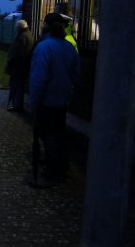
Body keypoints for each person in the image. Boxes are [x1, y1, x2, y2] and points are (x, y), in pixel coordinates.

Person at [29, 12, 79, 185]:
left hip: (47, 99)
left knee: (48, 135)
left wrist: (33, 101)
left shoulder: (44, 47)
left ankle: (53, 172)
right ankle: (63, 167)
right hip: (63, 99)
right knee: (60, 133)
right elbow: (75, 73)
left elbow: (39, 77)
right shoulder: (69, 47)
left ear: (46, 26)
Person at [5, 19, 34, 112]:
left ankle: (17, 105)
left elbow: (18, 53)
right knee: (19, 86)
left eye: (16, 27)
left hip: (18, 67)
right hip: (24, 66)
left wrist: (10, 60)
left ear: (19, 27)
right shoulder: (29, 35)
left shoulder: (22, 37)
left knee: (16, 86)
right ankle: (17, 104)